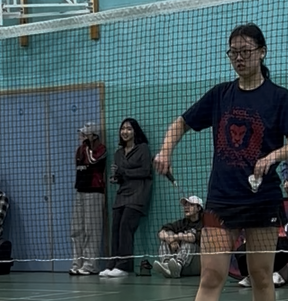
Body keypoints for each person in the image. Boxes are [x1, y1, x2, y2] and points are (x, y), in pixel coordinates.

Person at [153, 23, 288, 301]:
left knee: (260, 277)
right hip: (221, 200)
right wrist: (165, 149)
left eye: (246, 50)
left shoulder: (279, 97)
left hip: (262, 200)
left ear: (262, 52)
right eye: (233, 52)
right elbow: (182, 122)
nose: (239, 57)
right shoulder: (221, 95)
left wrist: (273, 156)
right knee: (211, 275)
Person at [100, 118, 153, 278]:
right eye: (123, 129)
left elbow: (145, 171)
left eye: (129, 129)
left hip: (137, 195)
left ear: (135, 131)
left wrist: (125, 173)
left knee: (125, 228)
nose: (125, 132)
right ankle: (112, 265)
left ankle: (124, 266)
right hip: (122, 194)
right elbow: (119, 175)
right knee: (115, 228)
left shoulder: (143, 149)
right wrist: (116, 178)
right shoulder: (118, 153)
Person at [71, 122, 107, 276]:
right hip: (80, 190)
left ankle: (90, 265)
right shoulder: (79, 150)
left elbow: (93, 161)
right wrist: (84, 147)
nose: (82, 137)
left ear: (93, 136)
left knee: (91, 230)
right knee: (77, 229)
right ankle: (77, 262)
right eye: (82, 134)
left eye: (86, 134)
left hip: (95, 192)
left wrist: (88, 146)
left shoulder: (100, 149)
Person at [153, 196, 205, 278]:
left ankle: (178, 265)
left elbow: (193, 237)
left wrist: (176, 237)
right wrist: (171, 240)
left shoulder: (204, 223)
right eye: (185, 205)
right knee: (166, 238)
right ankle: (166, 265)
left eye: (191, 205)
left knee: (187, 239)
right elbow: (162, 232)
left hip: (197, 262)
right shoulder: (183, 222)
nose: (186, 207)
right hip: (184, 262)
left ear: (199, 208)